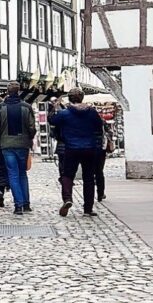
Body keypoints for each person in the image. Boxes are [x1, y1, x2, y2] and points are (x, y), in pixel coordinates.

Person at [50, 87, 104, 217]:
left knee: (67, 175)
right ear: (82, 98)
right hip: (89, 148)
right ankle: (88, 208)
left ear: (69, 99)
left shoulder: (64, 113)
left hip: (71, 148)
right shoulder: (91, 112)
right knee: (89, 178)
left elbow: (52, 121)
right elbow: (99, 126)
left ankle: (67, 198)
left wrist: (54, 108)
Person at [0, 81, 36, 215]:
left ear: (7, 91)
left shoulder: (1, 107)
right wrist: (29, 138)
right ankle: (26, 203)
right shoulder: (26, 107)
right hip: (23, 144)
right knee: (22, 173)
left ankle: (18, 205)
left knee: (13, 174)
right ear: (19, 91)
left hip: (7, 145)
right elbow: (32, 127)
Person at [95, 119, 114, 203]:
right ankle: (100, 193)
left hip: (88, 148)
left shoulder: (84, 121)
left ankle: (90, 195)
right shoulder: (101, 121)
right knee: (99, 172)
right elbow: (110, 132)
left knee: (88, 173)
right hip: (100, 149)